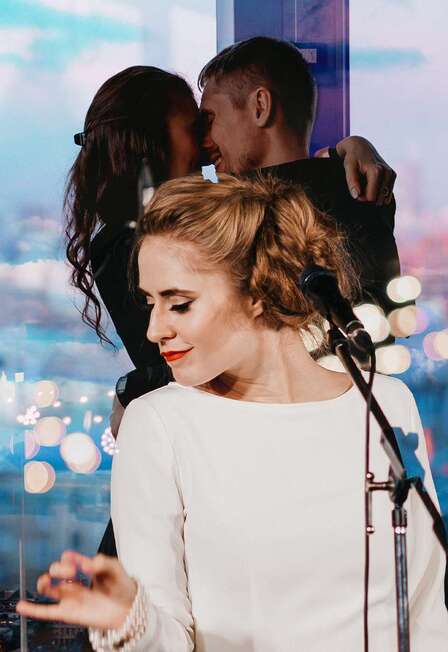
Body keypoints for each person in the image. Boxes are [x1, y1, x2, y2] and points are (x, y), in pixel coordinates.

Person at [17, 174, 447, 651]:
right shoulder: (159, 425)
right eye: (150, 303)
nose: (155, 329)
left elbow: (427, 610)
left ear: (259, 291)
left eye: (179, 304)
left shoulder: (386, 404)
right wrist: (128, 621)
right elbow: (168, 638)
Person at [66, 64, 401, 558]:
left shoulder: (184, 219)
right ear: (153, 140)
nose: (207, 143)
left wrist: (348, 151)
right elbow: (186, 360)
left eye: (208, 123)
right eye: (194, 125)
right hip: (207, 462)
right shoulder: (135, 242)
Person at [199, 36, 400, 313]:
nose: (204, 140)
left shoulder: (239, 210)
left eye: (210, 119)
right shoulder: (360, 189)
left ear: (260, 106)